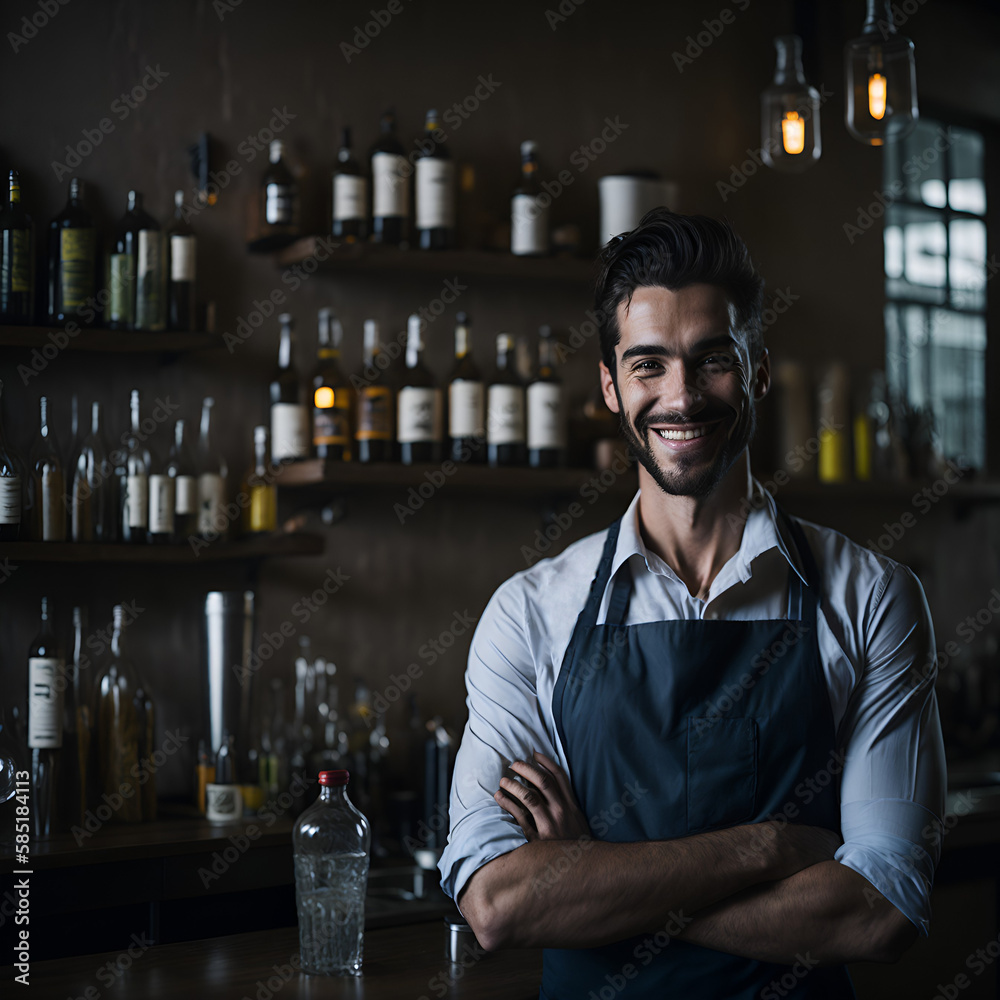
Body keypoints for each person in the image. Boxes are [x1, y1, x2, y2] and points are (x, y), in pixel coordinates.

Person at [436, 209, 947, 999]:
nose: (681, 397)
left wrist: (595, 875)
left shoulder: (872, 598)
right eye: (647, 366)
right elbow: (498, 903)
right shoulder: (529, 614)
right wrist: (768, 850)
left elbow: (880, 912)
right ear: (609, 385)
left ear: (759, 370)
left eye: (712, 361)